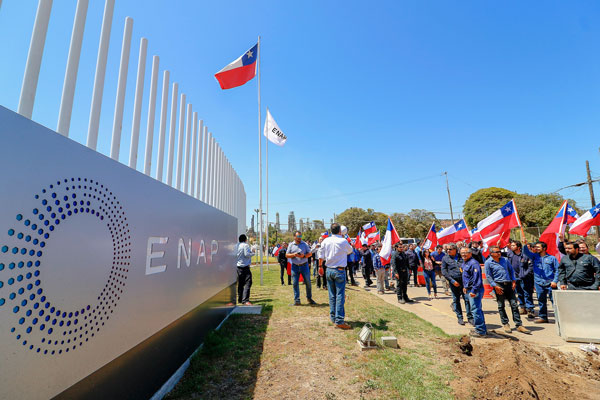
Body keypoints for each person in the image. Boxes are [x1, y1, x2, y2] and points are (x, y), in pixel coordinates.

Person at [484, 246, 531, 334]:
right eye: (497, 252)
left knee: (514, 304)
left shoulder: (505, 260)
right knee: (501, 305)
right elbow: (489, 276)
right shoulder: (488, 262)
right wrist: (494, 286)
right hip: (498, 285)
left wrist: (513, 281)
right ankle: (505, 323)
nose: (499, 253)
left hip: (509, 284)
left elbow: (511, 270)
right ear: (491, 254)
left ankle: (519, 324)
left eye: (499, 251)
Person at [321, 223, 354, 329]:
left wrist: (319, 267)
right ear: (340, 231)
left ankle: (333, 317)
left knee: (332, 295)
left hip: (329, 269)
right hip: (339, 270)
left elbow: (320, 255)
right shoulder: (343, 241)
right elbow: (350, 251)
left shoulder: (326, 241)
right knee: (340, 295)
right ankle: (339, 320)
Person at [523, 241, 558, 323]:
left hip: (550, 283)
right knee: (541, 301)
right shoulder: (534, 257)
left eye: (538, 247)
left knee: (554, 301)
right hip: (539, 283)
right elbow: (526, 252)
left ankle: (558, 318)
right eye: (535, 247)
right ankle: (543, 317)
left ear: (544, 248)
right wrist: (524, 244)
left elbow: (557, 270)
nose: (536, 248)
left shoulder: (552, 258)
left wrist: (555, 281)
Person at [442, 244, 473, 326]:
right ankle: (460, 317)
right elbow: (444, 272)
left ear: (455, 249)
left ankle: (470, 318)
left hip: (464, 282)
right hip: (454, 282)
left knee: (467, 299)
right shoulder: (445, 258)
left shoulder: (462, 257)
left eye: (450, 249)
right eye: (447, 249)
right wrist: (452, 281)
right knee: (456, 300)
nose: (448, 250)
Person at [461, 247, 487, 337]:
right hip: (469, 289)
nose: (463, 254)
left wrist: (473, 291)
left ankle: (480, 331)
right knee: (477, 309)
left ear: (470, 253)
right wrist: (465, 287)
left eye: (465, 253)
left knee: (476, 310)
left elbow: (477, 279)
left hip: (474, 290)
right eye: (462, 253)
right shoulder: (465, 262)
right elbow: (466, 276)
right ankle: (482, 328)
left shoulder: (474, 263)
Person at [504, 240, 535, 318]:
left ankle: (530, 310)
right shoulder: (510, 254)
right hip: (515, 278)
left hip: (525, 278)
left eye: (513, 245)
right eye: (511, 245)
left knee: (527, 293)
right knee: (519, 293)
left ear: (518, 247)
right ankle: (522, 307)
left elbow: (530, 267)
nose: (511, 247)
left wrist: (525, 275)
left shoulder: (525, 255)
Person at [286, 231, 317, 306]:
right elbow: (287, 255)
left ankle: (309, 298)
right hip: (295, 267)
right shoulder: (291, 245)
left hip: (304, 266)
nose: (300, 238)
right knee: (295, 283)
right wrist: (294, 254)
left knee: (308, 283)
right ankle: (297, 300)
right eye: (298, 237)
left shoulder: (304, 244)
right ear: (294, 237)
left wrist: (303, 256)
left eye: (300, 236)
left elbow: (310, 254)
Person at [236, 234, 255, 305]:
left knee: (240, 284)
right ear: (245, 240)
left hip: (238, 267)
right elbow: (247, 254)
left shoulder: (236, 246)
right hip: (245, 267)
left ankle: (240, 299)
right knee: (248, 282)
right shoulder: (245, 245)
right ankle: (245, 300)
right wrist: (253, 252)